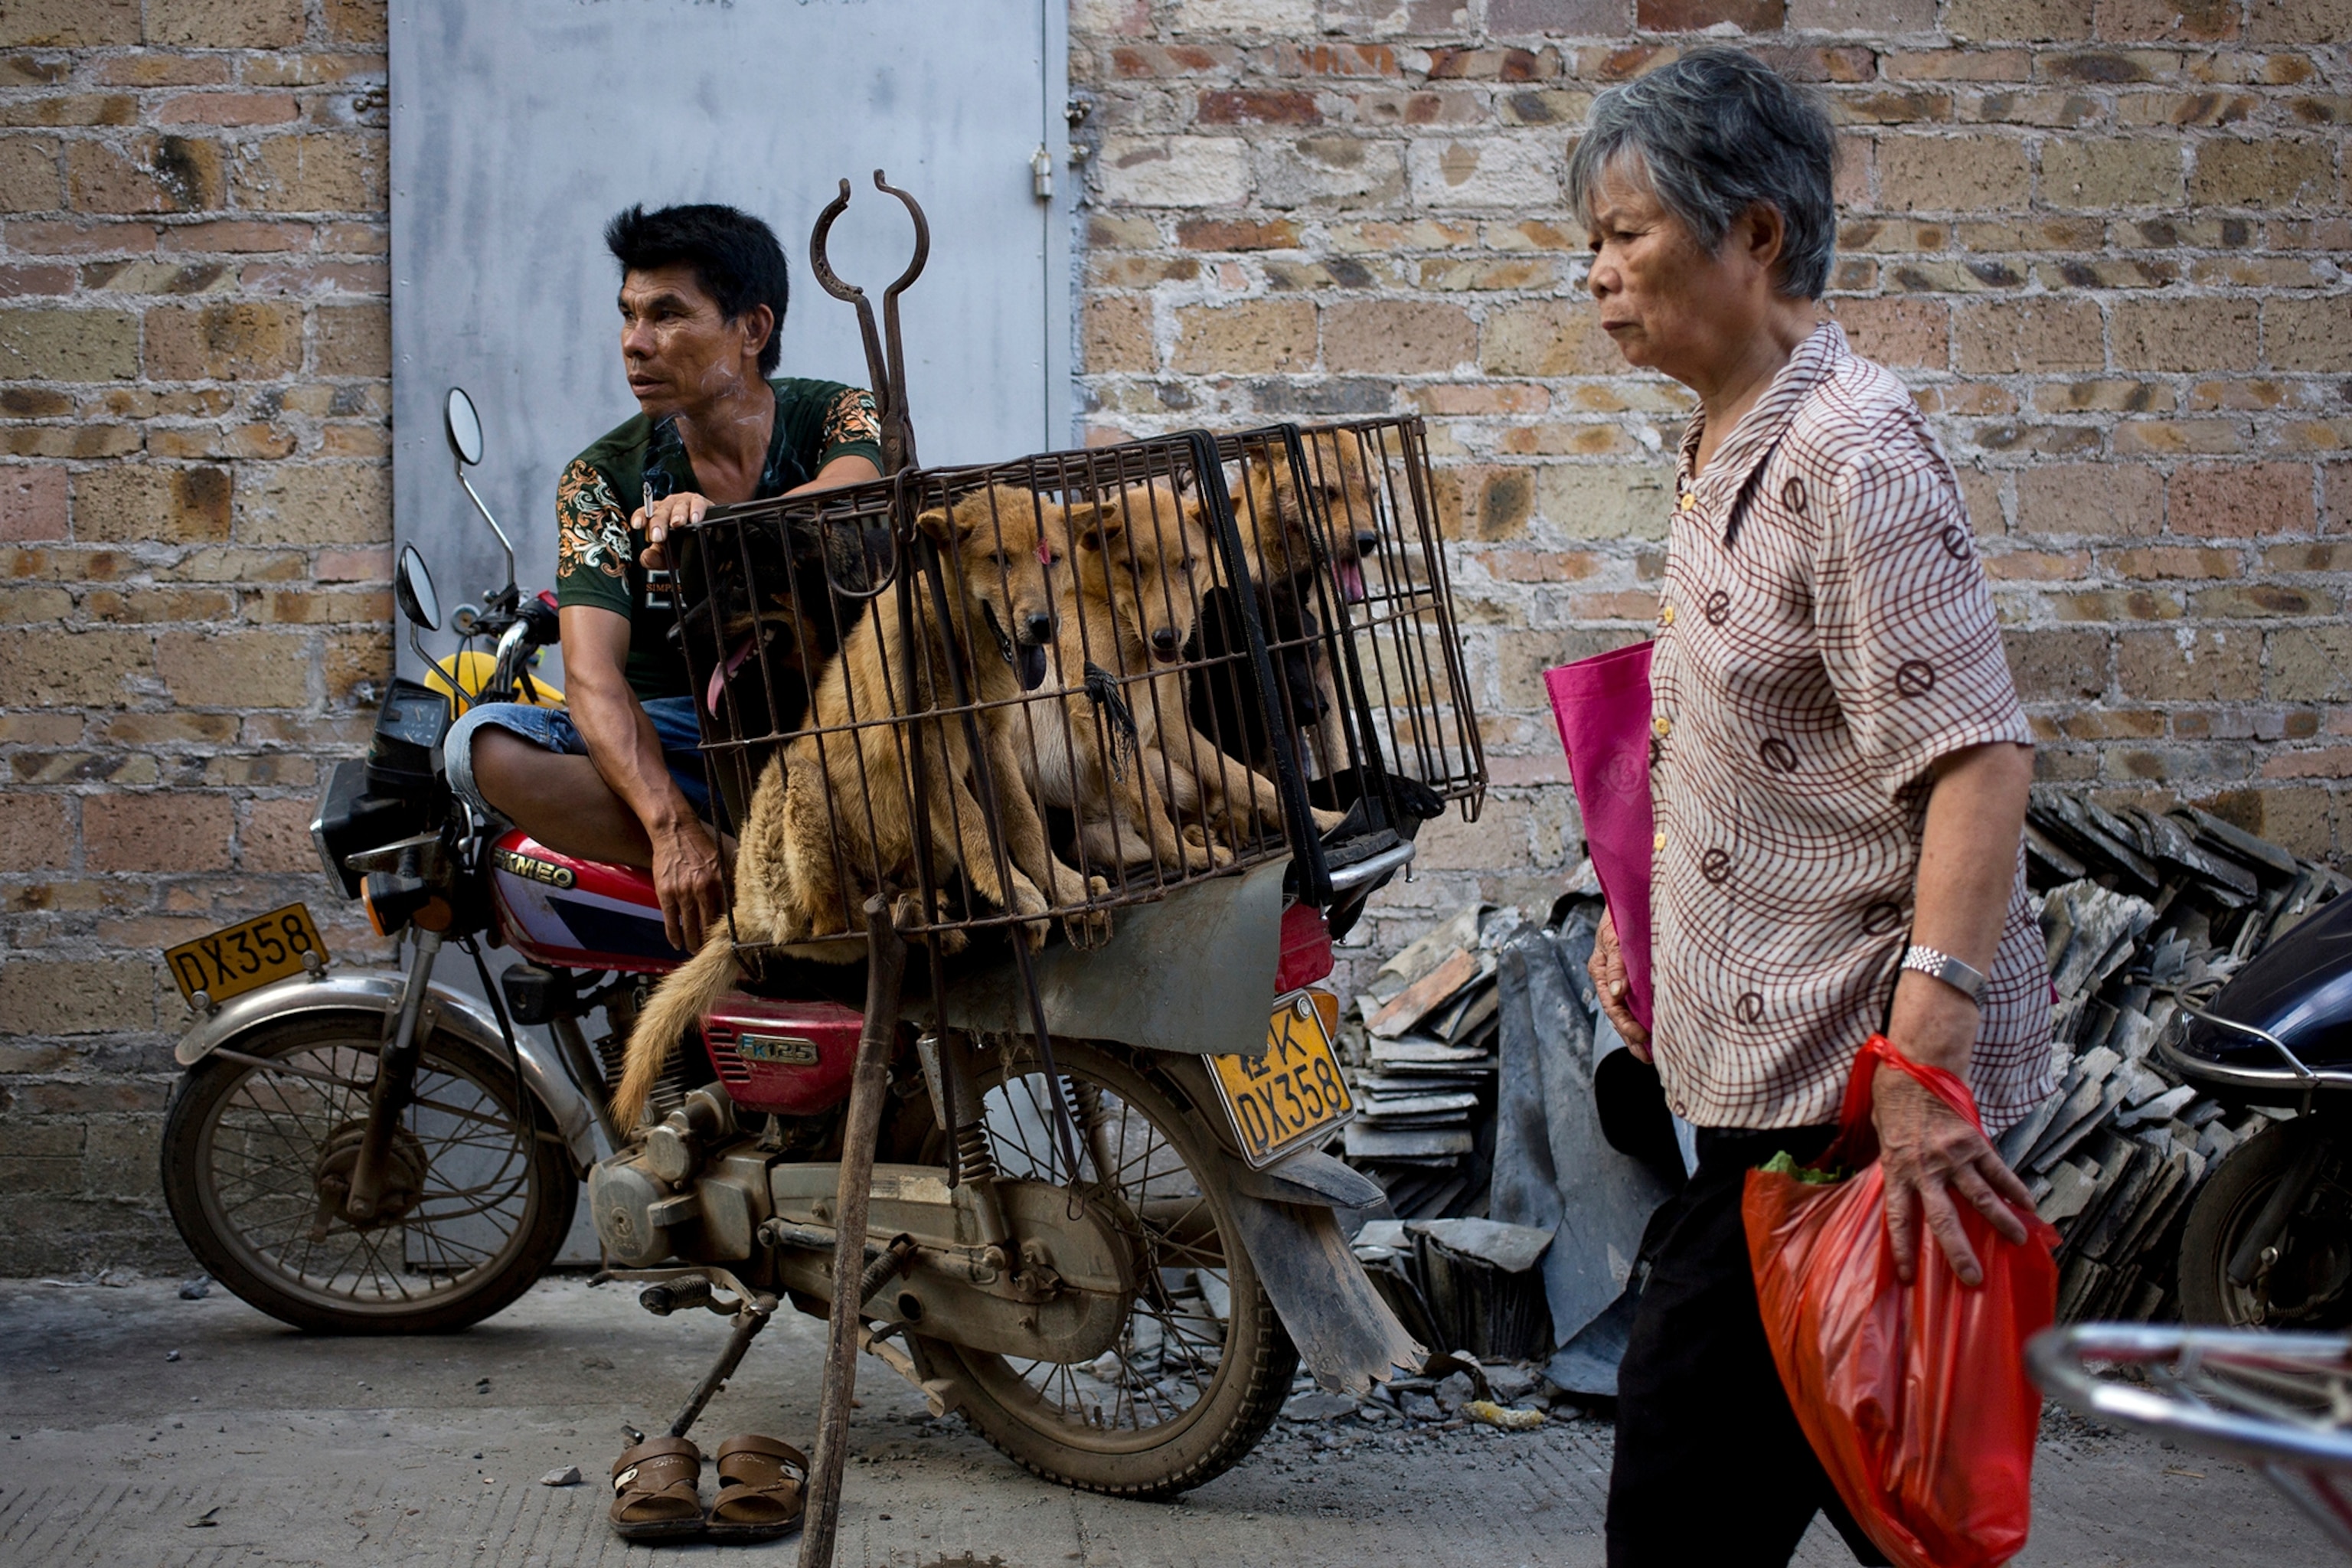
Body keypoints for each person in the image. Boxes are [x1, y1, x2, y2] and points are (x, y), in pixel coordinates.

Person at [1566, 48, 2053, 1568]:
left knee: (1697, 1494)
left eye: (1627, 233)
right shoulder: (1728, 435)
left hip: (1845, 1099)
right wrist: (1644, 929)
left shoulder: (1853, 456)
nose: (1597, 274)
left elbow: (1977, 759)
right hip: (1759, 1077)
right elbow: (1747, 732)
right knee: (1886, 1489)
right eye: (1594, 241)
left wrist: (1923, 1054)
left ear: (1756, 234)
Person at [444, 203, 884, 953]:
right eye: (628, 315)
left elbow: (849, 491)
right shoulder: (601, 479)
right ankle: (751, 878)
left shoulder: (837, 412)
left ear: (752, 328)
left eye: (667, 315)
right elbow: (591, 677)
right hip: (686, 747)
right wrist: (670, 828)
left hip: (833, 719)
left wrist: (718, 526)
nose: (634, 344)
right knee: (480, 747)